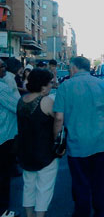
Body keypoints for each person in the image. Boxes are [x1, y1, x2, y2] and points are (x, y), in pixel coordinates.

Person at [53, 56, 104, 217]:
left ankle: (82, 211)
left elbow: (59, 118)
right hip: (101, 142)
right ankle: (100, 211)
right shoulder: (102, 84)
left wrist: (55, 139)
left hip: (77, 144)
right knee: (100, 181)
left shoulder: (65, 86)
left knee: (80, 182)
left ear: (74, 68)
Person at [16, 69, 59, 217]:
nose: (52, 86)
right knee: (44, 188)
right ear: (42, 86)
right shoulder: (46, 101)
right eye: (50, 83)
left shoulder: (21, 100)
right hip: (44, 152)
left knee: (28, 186)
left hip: (25, 151)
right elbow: (58, 120)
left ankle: (29, 215)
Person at [0, 59, 20, 217]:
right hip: (3, 137)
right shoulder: (2, 88)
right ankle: (3, 211)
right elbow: (17, 106)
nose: (5, 68)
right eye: (2, 66)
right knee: (3, 176)